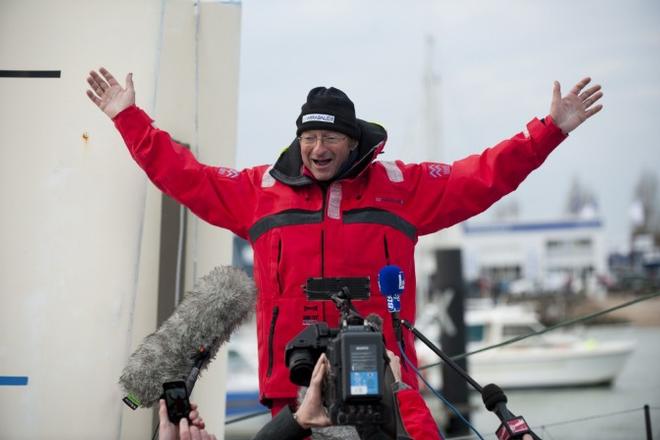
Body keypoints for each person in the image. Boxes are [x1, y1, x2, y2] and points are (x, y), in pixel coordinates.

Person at [86, 68, 602, 425]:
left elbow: (485, 175)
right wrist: (128, 118)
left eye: (330, 139)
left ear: (354, 143)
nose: (318, 149)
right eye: (309, 137)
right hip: (288, 390)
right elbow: (184, 174)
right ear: (298, 140)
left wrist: (550, 129)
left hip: (384, 386)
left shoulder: (404, 187)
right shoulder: (256, 193)